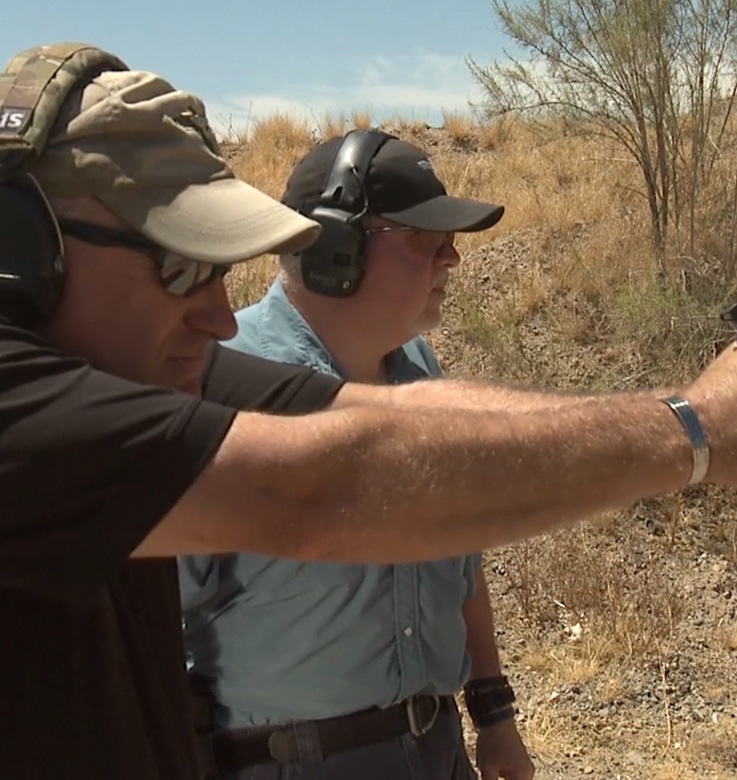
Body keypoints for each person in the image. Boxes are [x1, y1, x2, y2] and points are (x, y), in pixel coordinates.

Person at [0, 42, 737, 780]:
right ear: (21, 249)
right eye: (181, 269)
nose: (219, 319)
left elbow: (389, 430)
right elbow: (316, 488)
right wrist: (688, 436)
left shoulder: (109, 359)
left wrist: (733, 420)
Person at [179, 130, 533, 780]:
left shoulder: (421, 372)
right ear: (335, 251)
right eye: (427, 240)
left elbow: (462, 557)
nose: (452, 257)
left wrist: (493, 714)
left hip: (437, 747)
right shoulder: (218, 386)